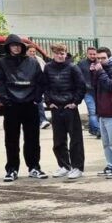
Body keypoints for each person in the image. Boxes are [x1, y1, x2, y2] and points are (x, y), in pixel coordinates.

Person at [0, 34, 47, 181]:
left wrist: (36, 98)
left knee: (33, 139)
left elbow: (40, 81)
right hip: (12, 105)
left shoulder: (32, 62)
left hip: (30, 104)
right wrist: (6, 100)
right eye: (13, 45)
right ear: (8, 47)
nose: (16, 48)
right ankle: (12, 169)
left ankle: (34, 167)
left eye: (18, 45)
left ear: (22, 47)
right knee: (11, 139)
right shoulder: (1, 63)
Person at [40, 43, 87, 180]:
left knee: (75, 139)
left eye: (63, 53)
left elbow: (81, 86)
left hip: (70, 108)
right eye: (58, 53)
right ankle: (64, 166)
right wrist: (49, 102)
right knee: (58, 139)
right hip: (56, 108)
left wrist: (75, 102)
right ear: (53, 54)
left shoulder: (73, 67)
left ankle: (77, 167)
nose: (60, 56)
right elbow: (45, 86)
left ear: (66, 54)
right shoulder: (48, 68)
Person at [91, 47, 112, 178]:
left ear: (109, 58)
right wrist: (95, 73)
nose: (100, 61)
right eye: (98, 58)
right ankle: (111, 165)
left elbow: (111, 86)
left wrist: (100, 72)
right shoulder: (101, 70)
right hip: (102, 111)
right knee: (106, 142)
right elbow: (94, 87)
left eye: (103, 58)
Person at [76, 47, 101, 138]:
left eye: (94, 54)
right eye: (90, 54)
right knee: (92, 111)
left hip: (98, 91)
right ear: (87, 54)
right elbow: (77, 76)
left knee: (96, 111)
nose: (92, 56)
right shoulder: (81, 64)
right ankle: (97, 130)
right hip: (87, 91)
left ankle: (92, 129)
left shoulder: (99, 63)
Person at [27, 46, 50, 130]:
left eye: (34, 51)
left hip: (38, 85)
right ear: (26, 52)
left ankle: (43, 120)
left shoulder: (39, 60)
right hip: (27, 86)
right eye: (30, 51)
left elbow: (44, 70)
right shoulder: (23, 61)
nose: (32, 53)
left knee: (39, 102)